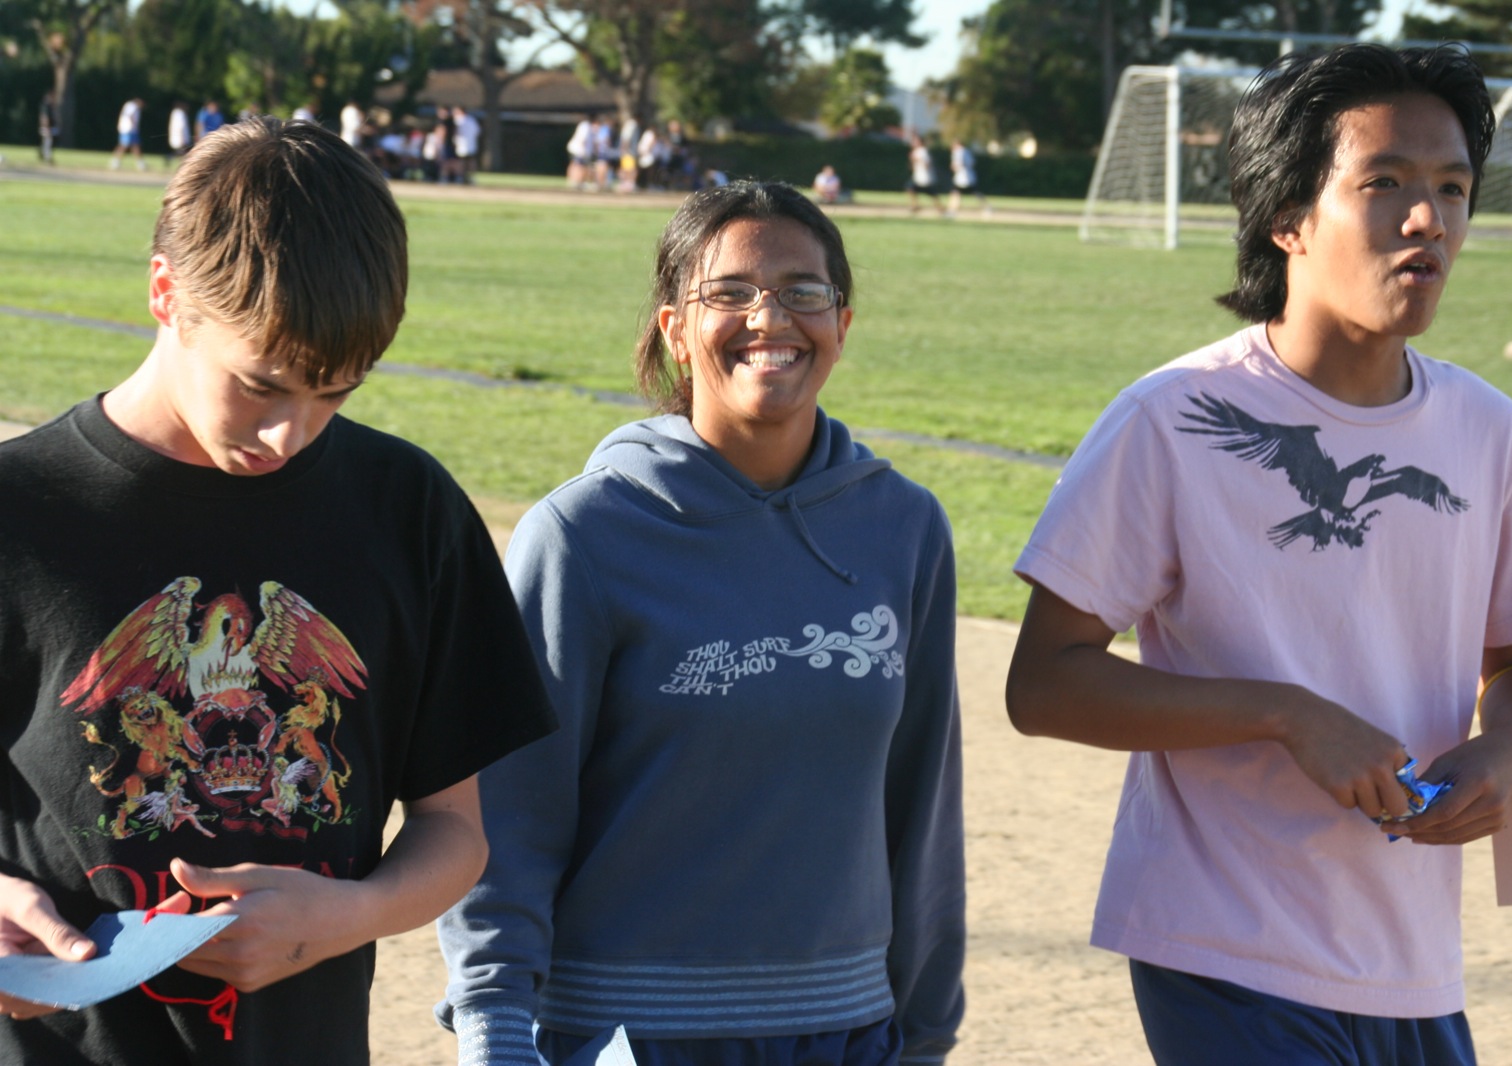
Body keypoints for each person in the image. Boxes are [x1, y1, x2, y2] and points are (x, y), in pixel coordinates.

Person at [1006, 43, 1512, 1066]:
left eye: (1451, 186)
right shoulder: (1169, 419)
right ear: (1286, 217)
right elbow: (1042, 686)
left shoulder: (1491, 434)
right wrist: (1283, 714)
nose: (1427, 218)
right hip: (1223, 946)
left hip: (1412, 959)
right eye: (1384, 184)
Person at [0, 116, 557, 1063]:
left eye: (336, 391)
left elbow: (454, 833)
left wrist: (347, 914)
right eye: (261, 385)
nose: (291, 434)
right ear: (166, 293)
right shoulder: (20, 512)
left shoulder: (408, 510)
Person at [437, 180, 966, 1066]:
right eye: (729, 293)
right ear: (674, 328)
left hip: (847, 1031)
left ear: (842, 320)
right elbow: (512, 815)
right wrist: (495, 1028)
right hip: (627, 1034)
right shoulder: (583, 535)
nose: (771, 318)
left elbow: (923, 803)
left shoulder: (903, 528)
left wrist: (924, 1029)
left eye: (803, 291)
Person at [945, 141, 988, 217]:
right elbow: (972, 163)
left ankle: (952, 211)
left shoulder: (958, 152)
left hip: (962, 177)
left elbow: (958, 164)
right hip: (969, 176)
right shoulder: (967, 152)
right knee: (973, 192)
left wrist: (954, 167)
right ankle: (987, 207)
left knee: (956, 193)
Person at [905, 134, 942, 215]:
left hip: (925, 177)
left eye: (915, 141)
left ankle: (940, 209)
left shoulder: (923, 151)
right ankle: (915, 206)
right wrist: (912, 160)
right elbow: (912, 167)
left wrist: (917, 159)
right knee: (910, 188)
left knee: (932, 193)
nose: (913, 143)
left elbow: (927, 165)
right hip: (918, 176)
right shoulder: (916, 152)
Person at [109, 97, 146, 170]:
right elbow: (130, 115)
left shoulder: (129, 105)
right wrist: (133, 124)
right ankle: (115, 162)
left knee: (135, 146)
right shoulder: (132, 106)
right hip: (128, 129)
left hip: (129, 129)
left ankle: (140, 163)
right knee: (124, 145)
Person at [565, 114, 595, 189]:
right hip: (578, 149)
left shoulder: (584, 125)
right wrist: (584, 152)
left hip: (575, 148)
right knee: (579, 165)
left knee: (575, 164)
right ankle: (576, 181)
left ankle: (574, 181)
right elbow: (583, 140)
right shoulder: (586, 126)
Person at [452, 106, 481, 184]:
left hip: (461, 146)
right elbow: (477, 132)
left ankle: (460, 178)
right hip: (471, 145)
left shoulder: (458, 121)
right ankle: (471, 178)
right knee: (470, 163)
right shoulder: (472, 120)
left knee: (461, 163)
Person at [167, 100, 193, 166]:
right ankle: (171, 158)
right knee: (182, 152)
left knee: (180, 152)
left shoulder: (175, 113)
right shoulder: (180, 114)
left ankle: (169, 157)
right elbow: (180, 126)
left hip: (177, 137)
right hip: (180, 137)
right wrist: (182, 138)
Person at [37, 91, 58, 164]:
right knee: (48, 141)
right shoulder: (46, 106)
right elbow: (44, 117)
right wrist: (46, 127)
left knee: (47, 141)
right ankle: (47, 156)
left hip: (50, 127)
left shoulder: (51, 106)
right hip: (47, 127)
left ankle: (43, 154)